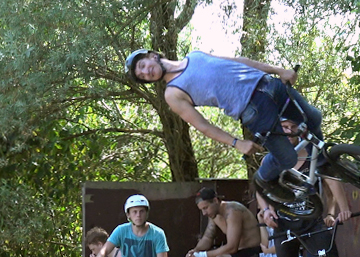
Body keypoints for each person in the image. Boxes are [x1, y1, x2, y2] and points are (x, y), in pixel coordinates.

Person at [125, 49, 326, 201]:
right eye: (142, 77)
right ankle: (263, 178)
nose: (146, 73)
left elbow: (239, 61)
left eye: (142, 66)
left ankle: (328, 166)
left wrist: (278, 70)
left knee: (314, 119)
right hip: (254, 110)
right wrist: (236, 143)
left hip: (270, 86)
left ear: (151, 56)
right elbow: (202, 125)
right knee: (288, 158)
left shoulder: (194, 56)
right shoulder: (172, 94)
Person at [253, 119, 352, 257]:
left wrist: (343, 209)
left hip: (312, 221)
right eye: (282, 128)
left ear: (300, 129)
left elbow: (333, 182)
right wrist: (267, 211)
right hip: (284, 223)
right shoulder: (273, 159)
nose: (287, 132)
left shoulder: (313, 154)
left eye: (291, 127)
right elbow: (260, 188)